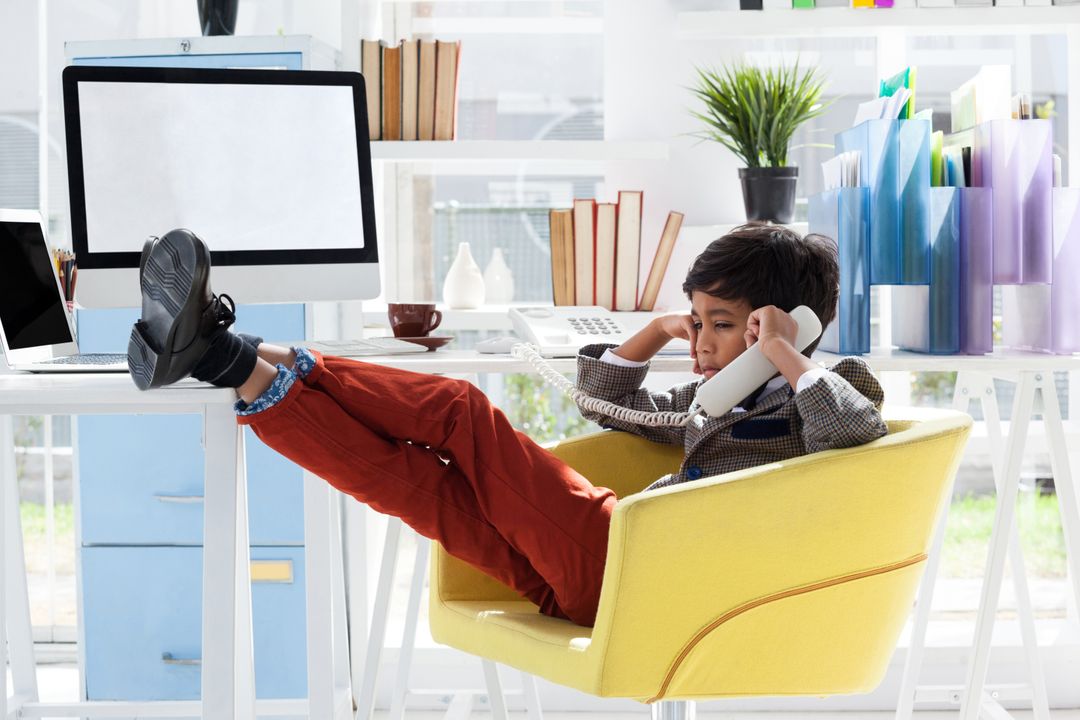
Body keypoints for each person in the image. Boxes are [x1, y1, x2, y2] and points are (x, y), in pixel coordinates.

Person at [126, 223, 888, 628]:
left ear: (786, 331)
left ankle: (226, 340)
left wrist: (784, 356)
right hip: (601, 582)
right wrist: (661, 331)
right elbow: (600, 397)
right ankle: (225, 360)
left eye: (721, 325)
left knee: (460, 413)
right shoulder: (713, 401)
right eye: (697, 322)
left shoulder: (826, 392)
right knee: (418, 483)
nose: (702, 342)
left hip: (632, 563)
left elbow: (852, 437)